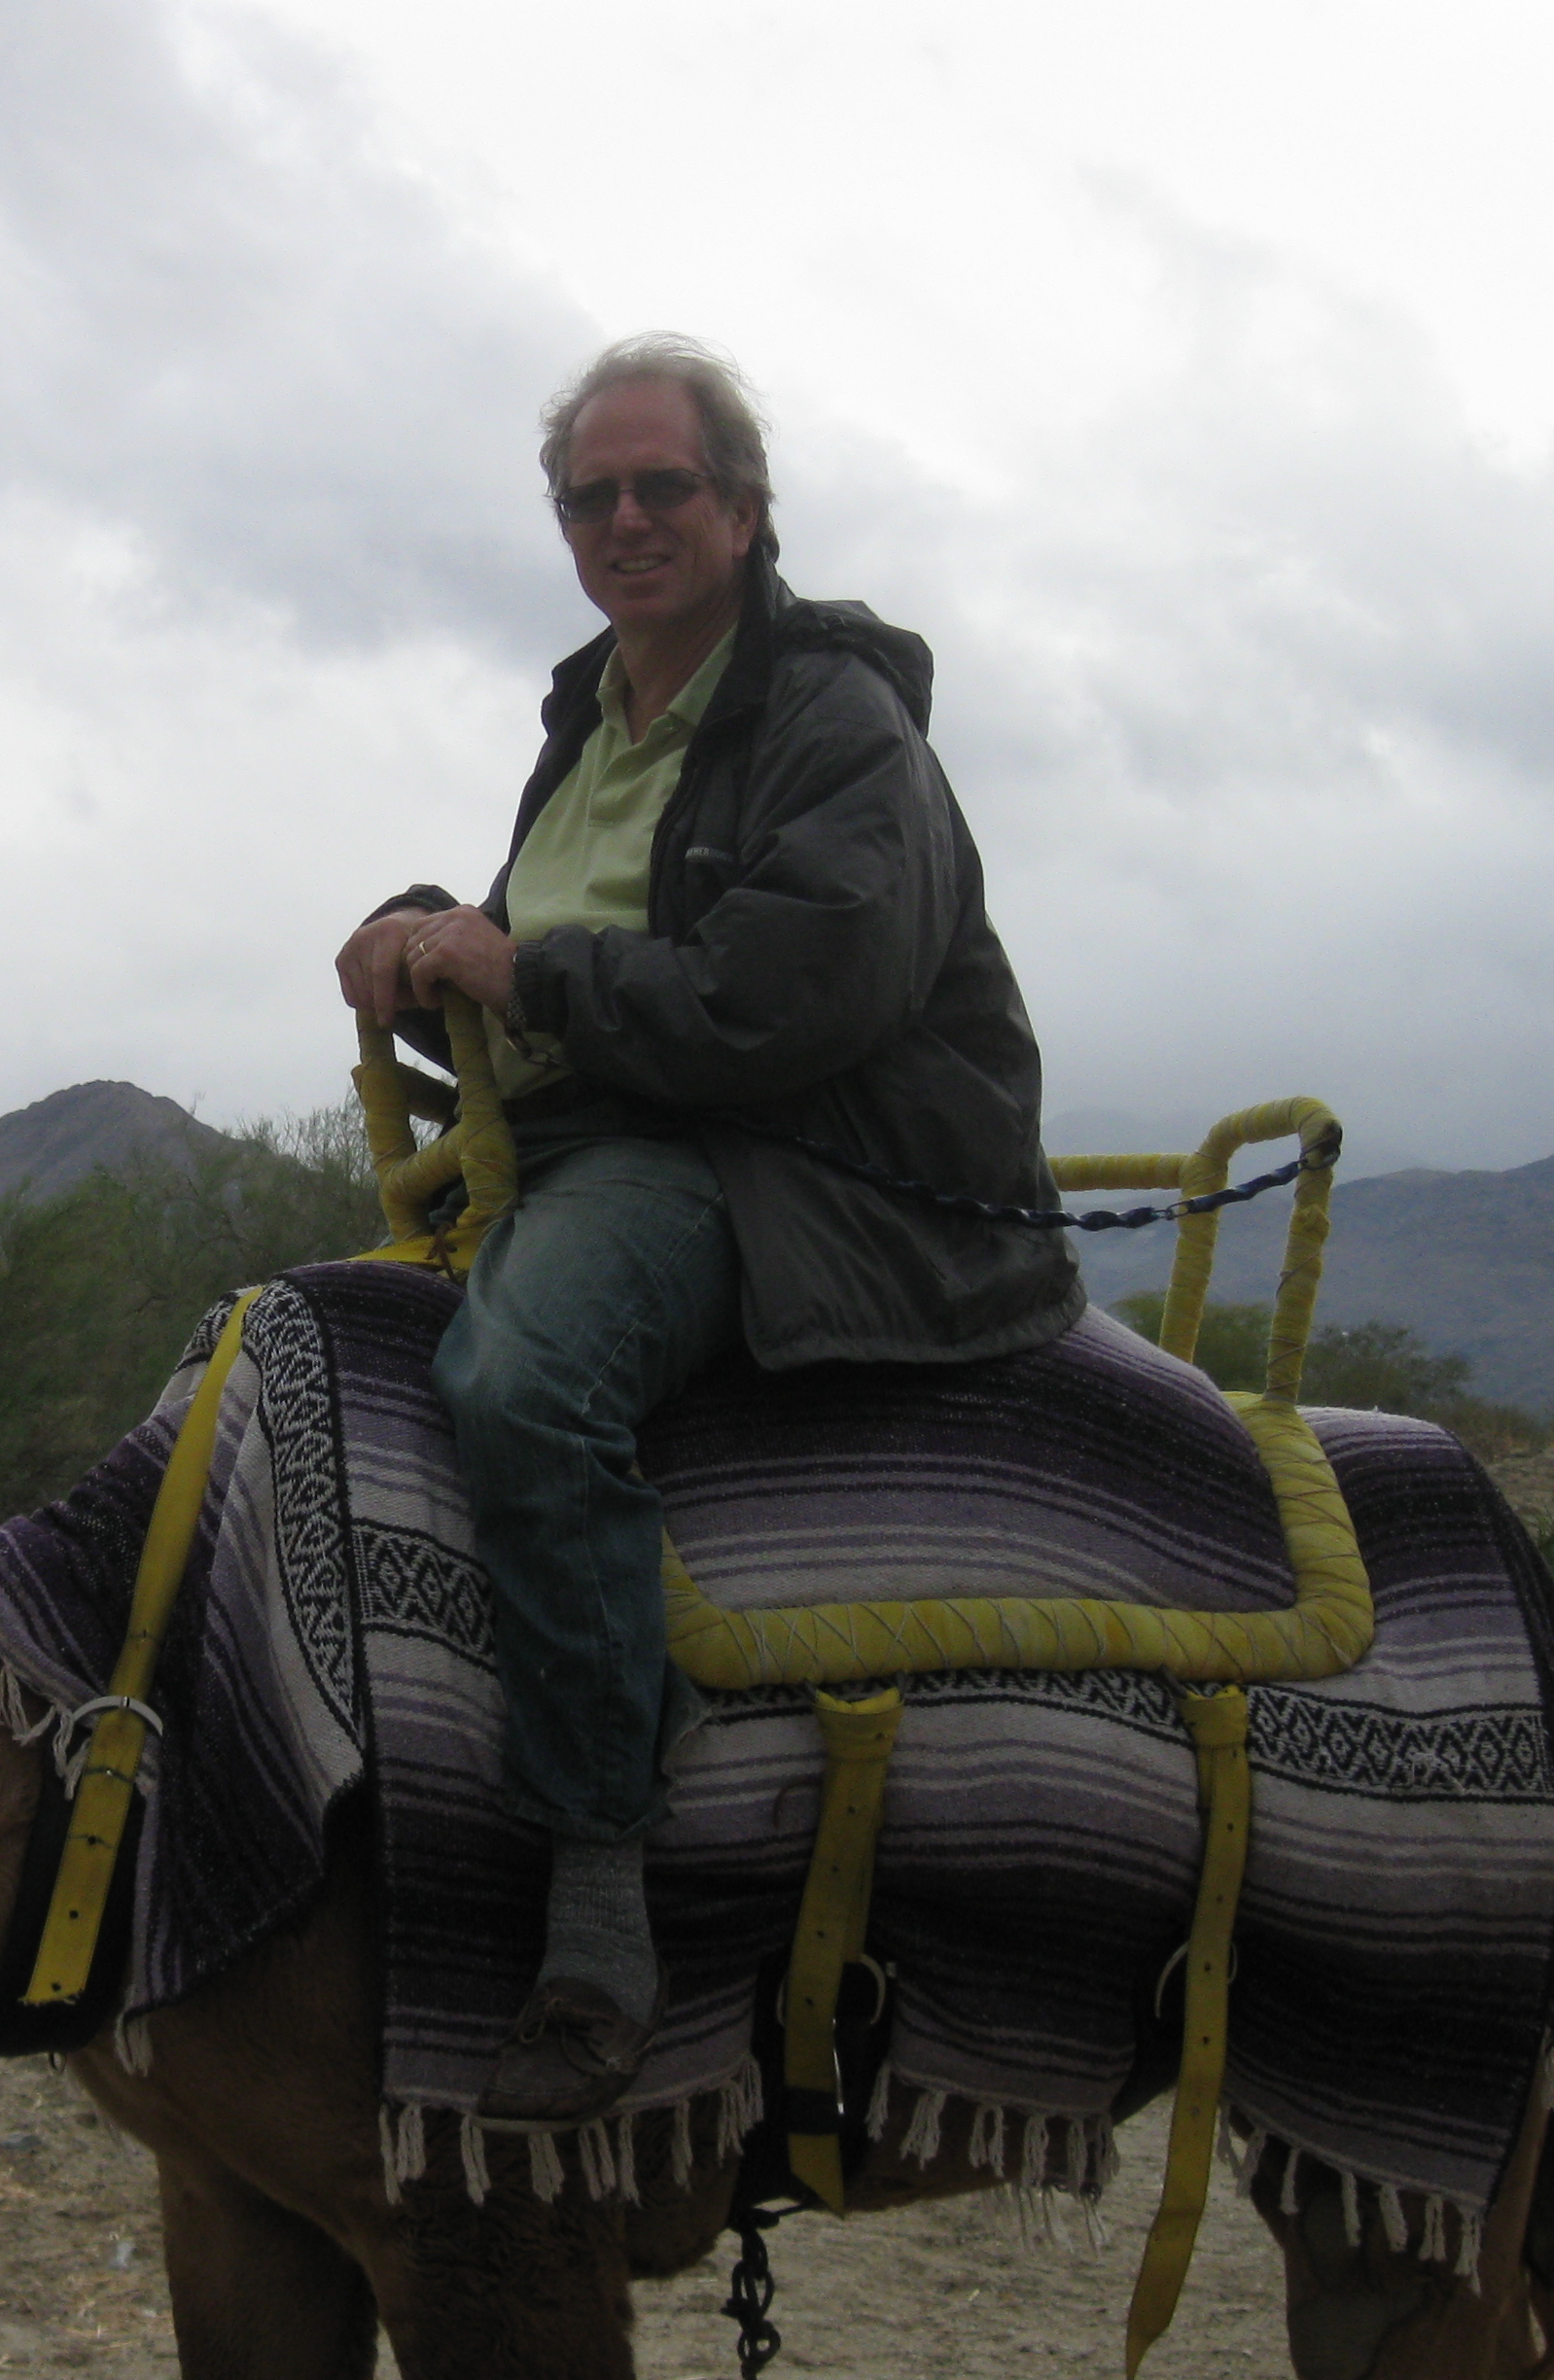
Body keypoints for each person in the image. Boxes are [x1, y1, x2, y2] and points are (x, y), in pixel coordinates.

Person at [336, 334, 1082, 2128]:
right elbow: (565, 949)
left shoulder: (836, 722)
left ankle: (602, 1893)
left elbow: (785, 996)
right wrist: (423, 928)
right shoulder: (594, 726)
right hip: (618, 1135)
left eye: (663, 486)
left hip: (797, 1161)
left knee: (519, 1384)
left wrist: (518, 964)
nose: (625, 519)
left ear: (744, 512)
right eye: (590, 495)